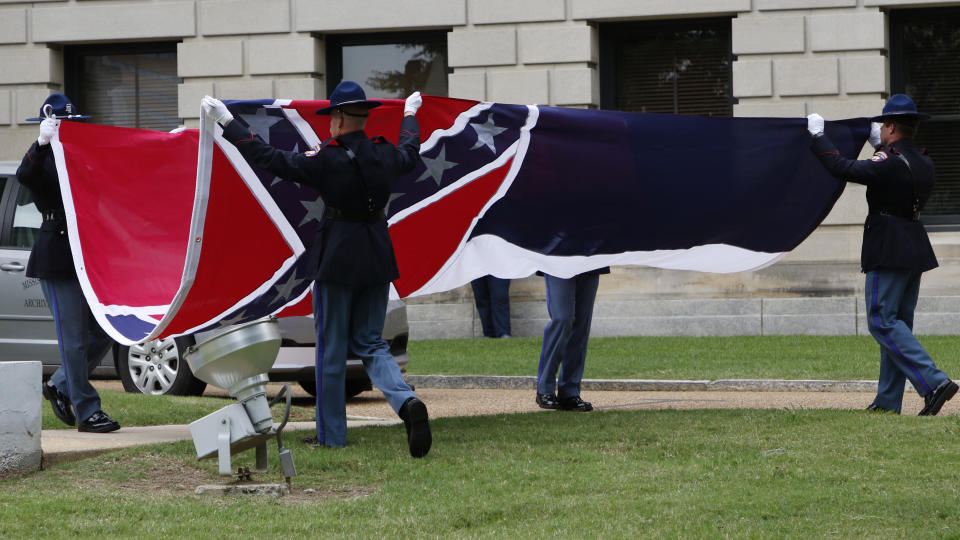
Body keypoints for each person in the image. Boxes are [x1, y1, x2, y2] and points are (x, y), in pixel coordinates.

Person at [201, 81, 431, 456]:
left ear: (339, 119)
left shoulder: (327, 158)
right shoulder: (383, 155)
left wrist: (230, 122)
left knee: (331, 349)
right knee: (372, 342)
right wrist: (410, 115)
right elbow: (410, 149)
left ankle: (332, 436)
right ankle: (406, 401)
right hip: (376, 255)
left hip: (338, 258)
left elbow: (270, 157)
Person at [807, 94, 957, 416]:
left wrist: (819, 138)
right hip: (913, 246)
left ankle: (934, 382)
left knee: (881, 321)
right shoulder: (924, 161)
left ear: (889, 126)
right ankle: (888, 402)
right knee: (897, 323)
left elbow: (841, 167)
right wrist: (879, 148)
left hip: (888, 245)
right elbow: (894, 180)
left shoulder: (888, 161)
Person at [17, 94, 121, 433]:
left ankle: (60, 383)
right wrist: (40, 142)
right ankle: (87, 410)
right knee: (74, 338)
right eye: (66, 124)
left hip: (87, 254)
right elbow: (25, 175)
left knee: (107, 330)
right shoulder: (44, 158)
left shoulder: (82, 157)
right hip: (58, 255)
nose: (73, 130)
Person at [535, 268, 608, 412]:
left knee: (581, 327)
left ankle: (569, 392)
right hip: (557, 259)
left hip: (590, 260)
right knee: (563, 318)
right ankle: (545, 388)